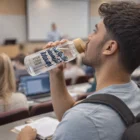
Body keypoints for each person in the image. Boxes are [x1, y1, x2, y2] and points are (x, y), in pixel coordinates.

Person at [17, 1, 140, 140]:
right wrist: (55, 73)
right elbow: (69, 113)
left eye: (95, 31)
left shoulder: (84, 119)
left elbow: (78, 119)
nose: (89, 37)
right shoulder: (134, 94)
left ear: (109, 48)